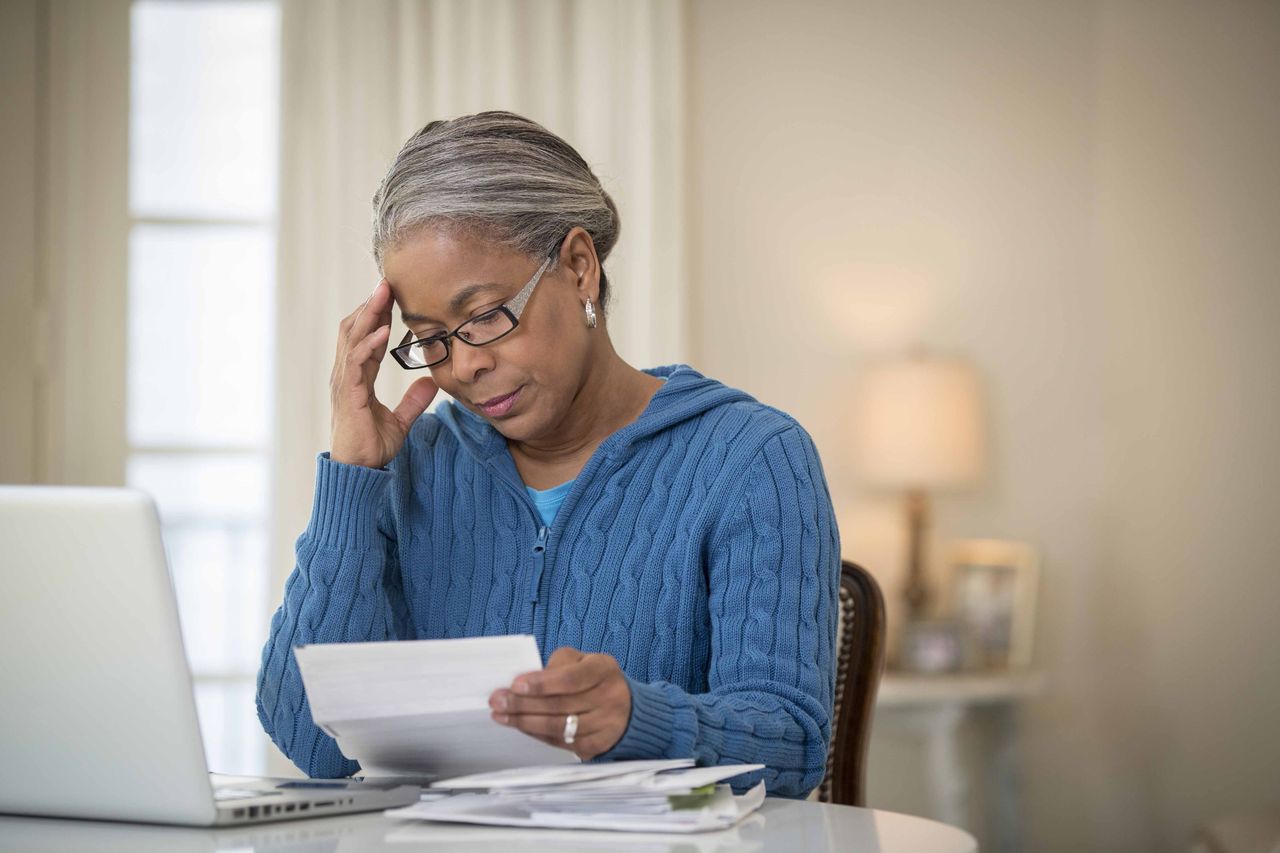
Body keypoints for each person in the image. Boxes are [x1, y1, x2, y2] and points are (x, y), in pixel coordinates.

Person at [255, 111, 840, 799]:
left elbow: (794, 747)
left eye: (485, 316)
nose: (465, 364)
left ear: (579, 267)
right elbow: (309, 741)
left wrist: (636, 719)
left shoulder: (751, 459)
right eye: (432, 338)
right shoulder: (412, 466)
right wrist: (352, 481)